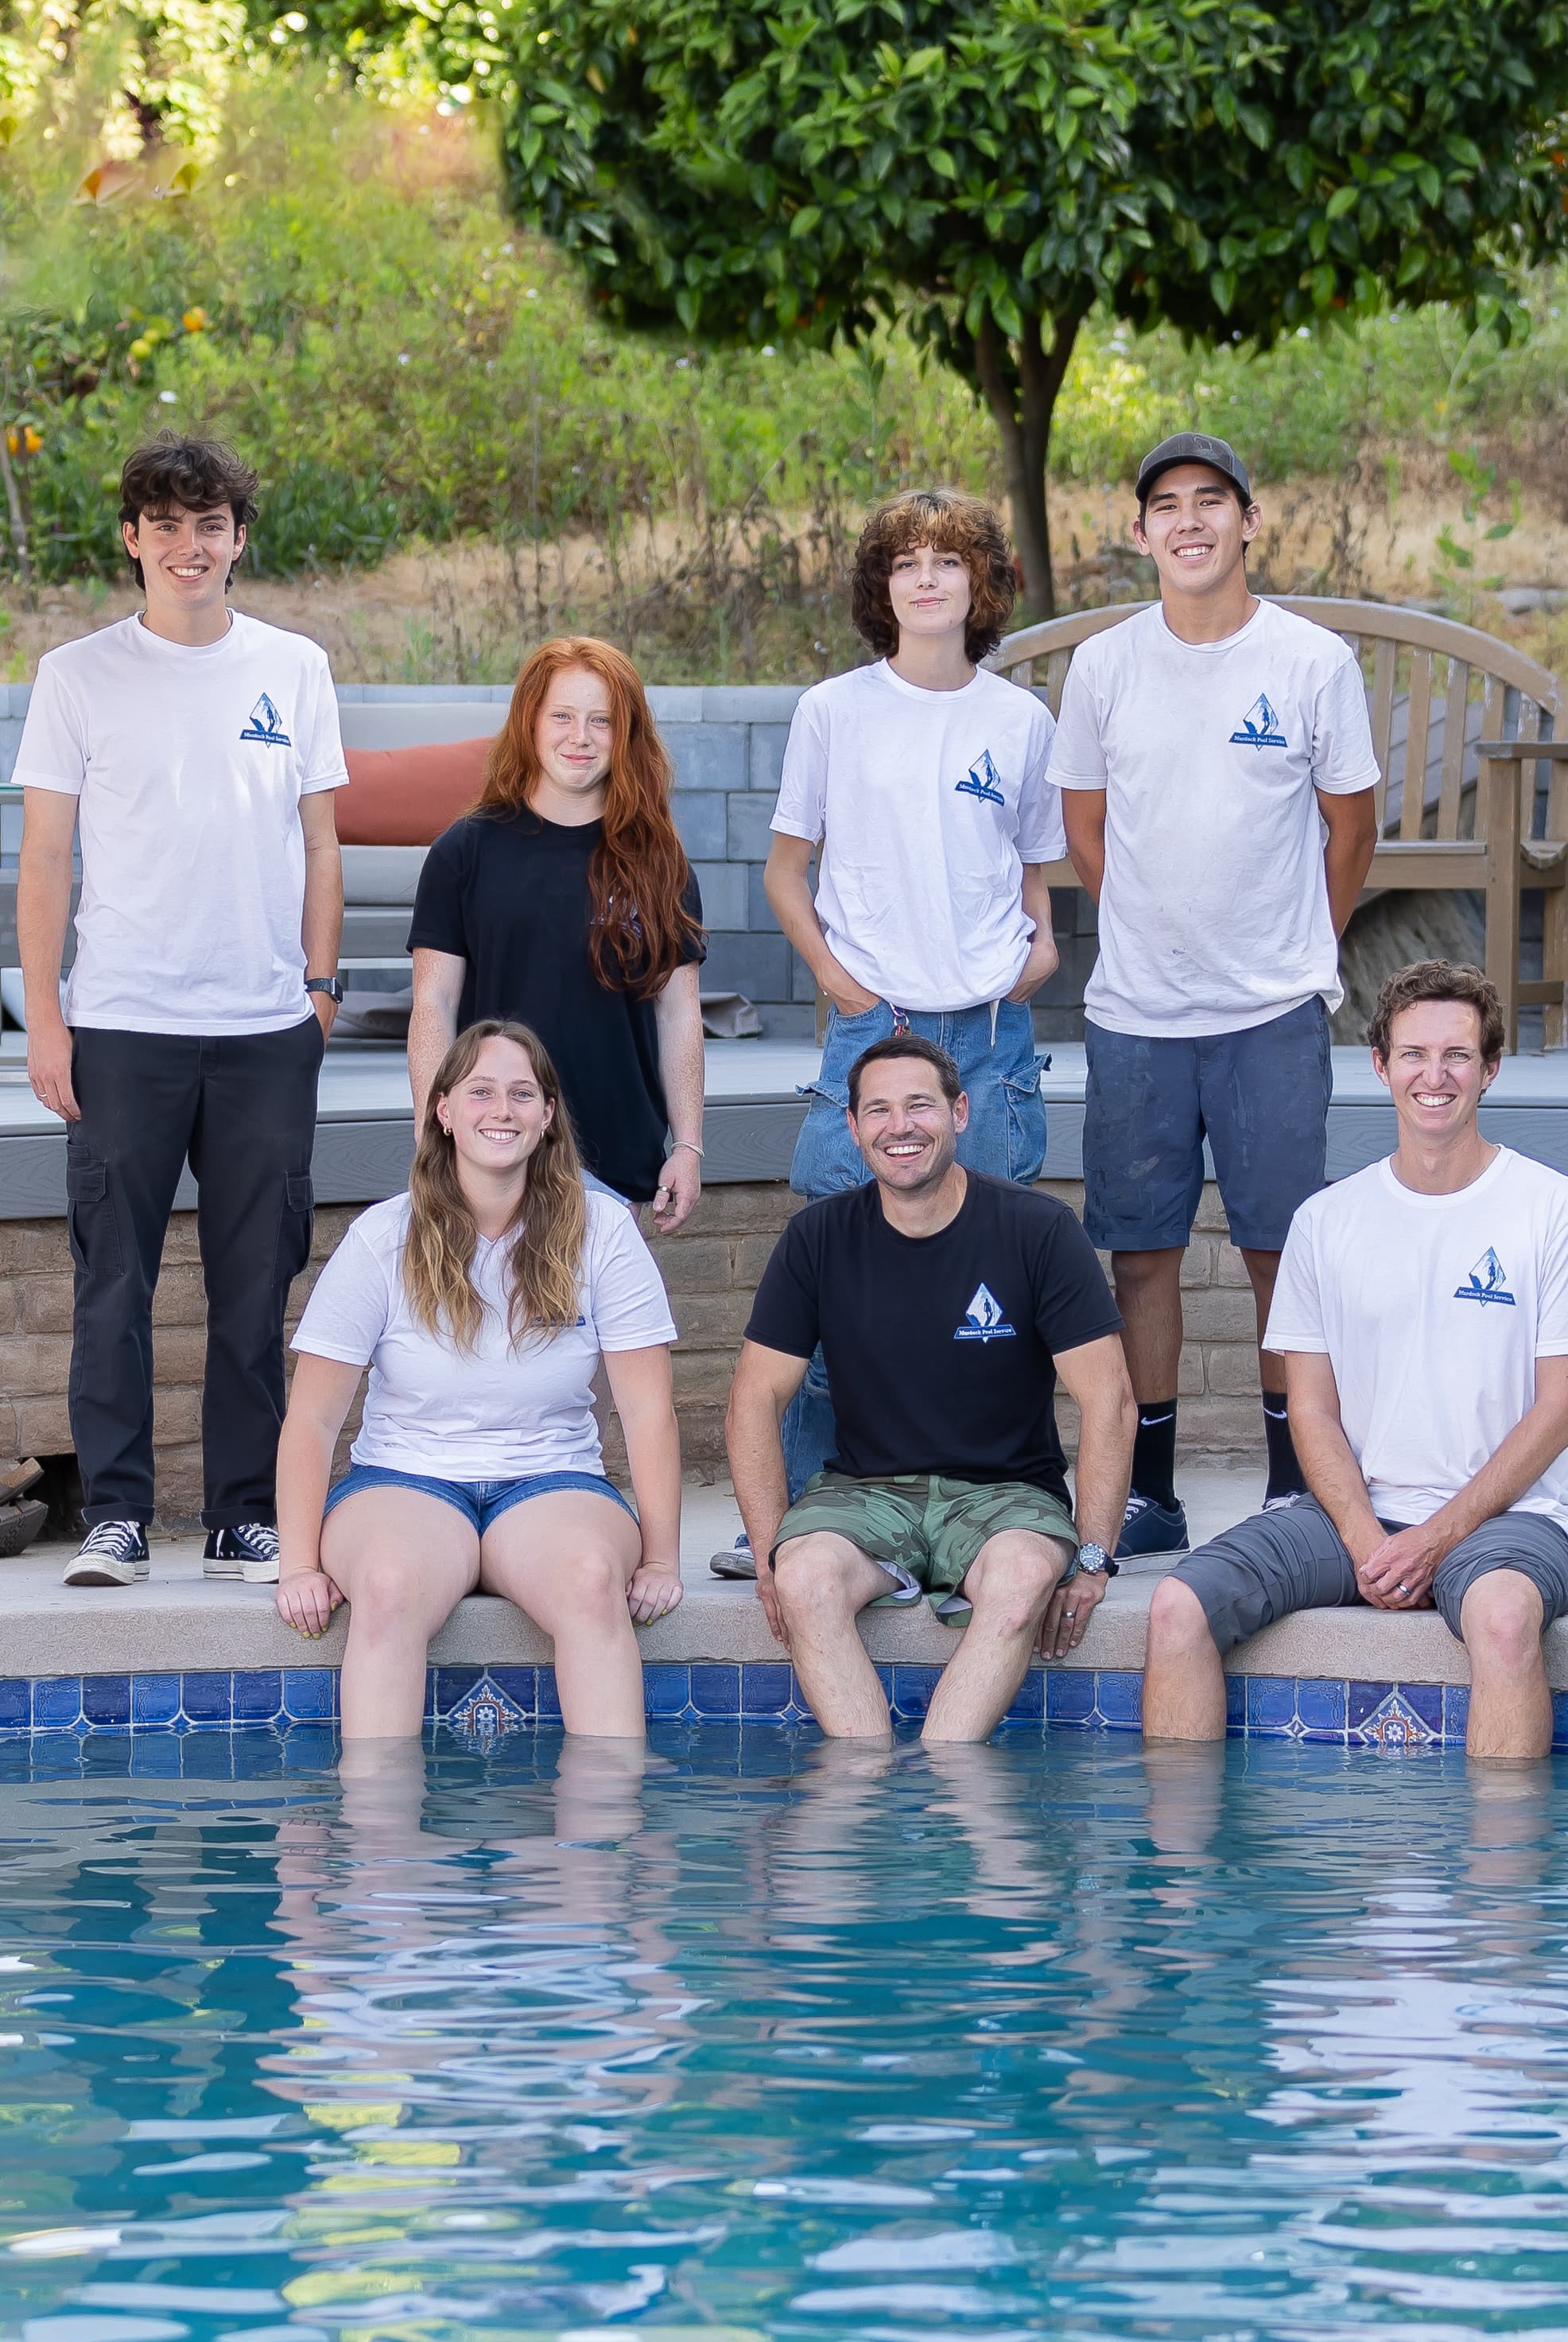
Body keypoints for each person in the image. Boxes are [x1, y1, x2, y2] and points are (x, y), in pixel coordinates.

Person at [14, 432, 346, 1587]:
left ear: (238, 538)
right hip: (121, 1024)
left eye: (209, 525)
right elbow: (46, 858)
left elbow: (317, 840)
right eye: (164, 525)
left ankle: (241, 1514)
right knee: (115, 1277)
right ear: (132, 539)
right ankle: (115, 1514)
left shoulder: (293, 666)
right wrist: (46, 1021)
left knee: (259, 1281)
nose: (187, 546)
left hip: (264, 1032)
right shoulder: (77, 676)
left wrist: (317, 987)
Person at [715, 487, 1065, 1578]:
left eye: (949, 560)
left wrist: (1033, 959)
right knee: (840, 1295)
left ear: (983, 584)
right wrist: (838, 983)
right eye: (905, 561)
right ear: (882, 588)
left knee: (993, 1299)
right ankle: (807, 1517)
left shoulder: (1020, 723)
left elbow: (1038, 886)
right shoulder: (835, 710)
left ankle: (988, 1525)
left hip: (987, 1041)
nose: (926, 577)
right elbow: (785, 870)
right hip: (871, 1035)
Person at [1050, 431, 1380, 1559]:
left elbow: (1353, 827)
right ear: (1138, 533)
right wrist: (1154, 925)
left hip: (1272, 1013)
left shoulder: (1310, 661)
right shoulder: (1103, 668)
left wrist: (1299, 942)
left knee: (1279, 1254)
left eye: (1211, 501)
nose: (1189, 521)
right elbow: (1084, 828)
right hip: (1138, 1016)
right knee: (1139, 1255)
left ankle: (1295, 1483)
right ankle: (1151, 1488)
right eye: (1166, 506)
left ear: (1248, 521)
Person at [1143, 961, 1568, 1762]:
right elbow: (1309, 1409)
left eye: (1457, 1056)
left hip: (1509, 1520)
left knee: (1501, 1621)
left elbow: (1561, 1406)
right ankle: (1185, 1881)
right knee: (1177, 1605)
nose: (1435, 1076)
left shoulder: (1553, 1209)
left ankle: (1499, 1884)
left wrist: (1433, 1538)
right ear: (1380, 1065)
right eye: (1413, 1054)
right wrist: (1366, 1541)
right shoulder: (1327, 1222)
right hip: (1353, 1515)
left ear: (1489, 1069)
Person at [274, 1020, 684, 1738]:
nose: (503, 1110)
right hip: (404, 1481)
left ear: (548, 1115)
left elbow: (648, 1410)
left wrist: (660, 1557)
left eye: (523, 1094)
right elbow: (311, 1418)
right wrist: (298, 1565)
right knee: (389, 1585)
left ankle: (602, 1838)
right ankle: (381, 1839)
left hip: (551, 1481)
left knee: (592, 1581)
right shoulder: (383, 1236)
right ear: (444, 1110)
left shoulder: (604, 1231)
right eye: (482, 1092)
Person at [726, 1034, 1135, 1742]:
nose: (900, 1127)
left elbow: (1112, 1402)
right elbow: (752, 1402)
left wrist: (1094, 1556)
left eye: (920, 1105)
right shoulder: (817, 1237)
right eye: (878, 1110)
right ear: (852, 1129)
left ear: (961, 1112)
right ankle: (865, 1797)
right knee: (804, 1581)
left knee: (1018, 1584)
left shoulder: (1038, 1231)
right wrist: (769, 1556)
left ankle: (948, 1796)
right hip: (864, 1493)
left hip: (1007, 1495)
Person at [408, 637, 705, 1233]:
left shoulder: (659, 862)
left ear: (627, 736)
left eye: (602, 721)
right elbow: (433, 1004)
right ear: (530, 724)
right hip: (492, 1160)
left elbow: (679, 1013)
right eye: (562, 717)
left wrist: (689, 1146)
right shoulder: (463, 853)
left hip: (615, 1165)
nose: (581, 737)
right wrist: (432, 1143)